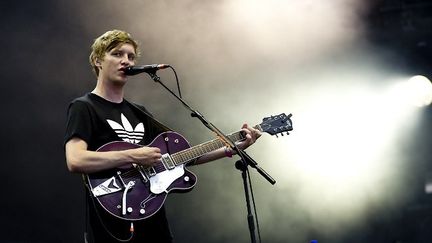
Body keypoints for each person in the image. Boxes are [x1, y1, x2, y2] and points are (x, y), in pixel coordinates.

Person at [64, 29, 261, 243]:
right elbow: (75, 160)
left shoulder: (139, 111)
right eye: (117, 54)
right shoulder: (84, 107)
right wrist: (133, 156)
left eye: (131, 56)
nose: (126, 61)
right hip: (112, 215)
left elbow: (183, 157)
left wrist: (232, 148)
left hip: (151, 212)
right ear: (97, 60)